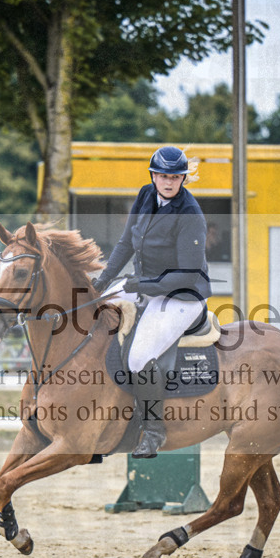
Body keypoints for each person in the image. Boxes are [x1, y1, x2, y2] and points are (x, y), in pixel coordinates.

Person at [91, 146, 211, 458]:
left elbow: (188, 274)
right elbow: (126, 242)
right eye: (162, 176)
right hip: (145, 284)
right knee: (92, 311)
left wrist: (143, 284)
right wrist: (103, 281)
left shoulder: (190, 214)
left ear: (182, 178)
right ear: (153, 176)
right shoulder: (146, 195)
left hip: (182, 296)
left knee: (139, 356)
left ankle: (153, 431)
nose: (168, 182)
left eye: (175, 177)